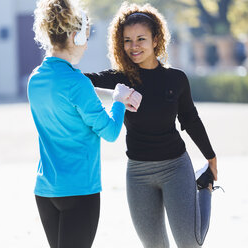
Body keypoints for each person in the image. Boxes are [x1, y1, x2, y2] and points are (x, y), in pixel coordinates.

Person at [85, 2, 219, 248]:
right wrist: (54, 68)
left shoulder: (176, 79)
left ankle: (205, 188)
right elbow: (83, 81)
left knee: (191, 243)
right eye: (127, 40)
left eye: (141, 39)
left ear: (156, 39)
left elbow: (190, 119)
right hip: (138, 173)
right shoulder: (120, 79)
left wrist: (210, 157)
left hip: (175, 168)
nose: (133, 47)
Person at [27, 1, 142, 248]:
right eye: (85, 37)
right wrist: (119, 101)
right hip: (79, 190)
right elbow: (110, 132)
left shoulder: (35, 79)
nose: (87, 44)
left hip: (46, 190)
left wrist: (110, 94)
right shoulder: (77, 82)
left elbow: (68, 97)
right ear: (73, 35)